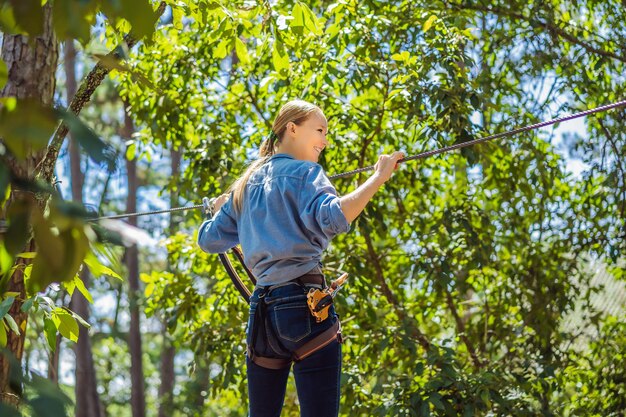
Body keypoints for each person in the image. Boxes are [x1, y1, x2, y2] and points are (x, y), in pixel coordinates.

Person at [197, 99, 403, 417]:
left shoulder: (246, 185)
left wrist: (224, 208)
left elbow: (208, 240)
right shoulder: (306, 173)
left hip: (263, 316)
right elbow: (334, 217)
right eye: (319, 130)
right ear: (292, 129)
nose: (325, 141)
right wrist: (378, 177)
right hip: (305, 307)